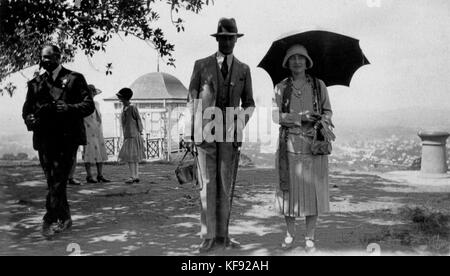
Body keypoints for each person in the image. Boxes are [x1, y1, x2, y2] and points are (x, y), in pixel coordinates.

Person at [185, 18, 255, 253]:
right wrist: (192, 132)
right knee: (206, 185)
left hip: (230, 135)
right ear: (218, 39)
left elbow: (250, 104)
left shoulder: (244, 69)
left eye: (231, 37)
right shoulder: (201, 65)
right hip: (204, 134)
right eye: (223, 38)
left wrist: (240, 122)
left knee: (226, 185)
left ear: (236, 39)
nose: (227, 41)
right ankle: (208, 237)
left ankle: (223, 236)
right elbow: (192, 100)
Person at [22, 44, 95, 237]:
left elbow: (88, 105)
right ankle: (65, 217)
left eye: (47, 57)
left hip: (67, 138)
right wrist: (28, 119)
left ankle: (50, 219)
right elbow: (27, 108)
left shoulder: (75, 79)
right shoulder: (35, 83)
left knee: (59, 179)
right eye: (42, 58)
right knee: (52, 180)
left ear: (57, 57)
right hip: (44, 138)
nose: (44, 61)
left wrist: (69, 108)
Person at [272, 44, 333, 253]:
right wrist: (300, 117)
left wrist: (321, 122)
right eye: (292, 58)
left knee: (312, 194)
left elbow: (328, 111)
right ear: (286, 63)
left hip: (313, 148)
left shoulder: (318, 86)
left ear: (308, 61)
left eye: (301, 58)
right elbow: (275, 116)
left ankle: (310, 237)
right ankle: (290, 234)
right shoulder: (280, 88)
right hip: (289, 147)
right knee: (288, 193)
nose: (297, 61)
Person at [82, 84, 111, 184]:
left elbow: (98, 117)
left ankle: (100, 174)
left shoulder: (96, 104)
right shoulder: (83, 104)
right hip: (88, 129)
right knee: (88, 152)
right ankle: (89, 175)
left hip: (97, 129)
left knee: (99, 151)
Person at [116, 88, 146, 184]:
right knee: (132, 157)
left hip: (133, 135)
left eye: (120, 97)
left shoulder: (132, 107)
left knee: (131, 157)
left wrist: (140, 131)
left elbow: (138, 119)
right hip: (128, 135)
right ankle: (135, 176)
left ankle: (133, 176)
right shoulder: (124, 108)